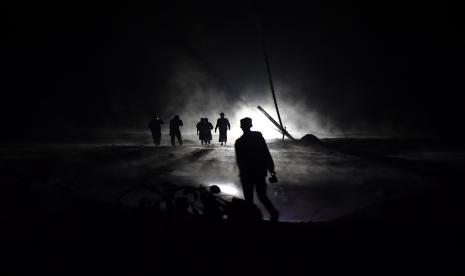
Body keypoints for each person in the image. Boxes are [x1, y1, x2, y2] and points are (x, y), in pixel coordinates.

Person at [234, 117, 279, 222]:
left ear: (241, 127)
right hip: (258, 172)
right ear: (251, 125)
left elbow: (240, 160)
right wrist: (271, 170)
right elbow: (266, 153)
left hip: (248, 173)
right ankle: (272, 214)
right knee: (260, 196)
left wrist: (241, 173)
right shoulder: (257, 137)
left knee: (250, 198)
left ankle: (253, 219)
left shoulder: (240, 142)